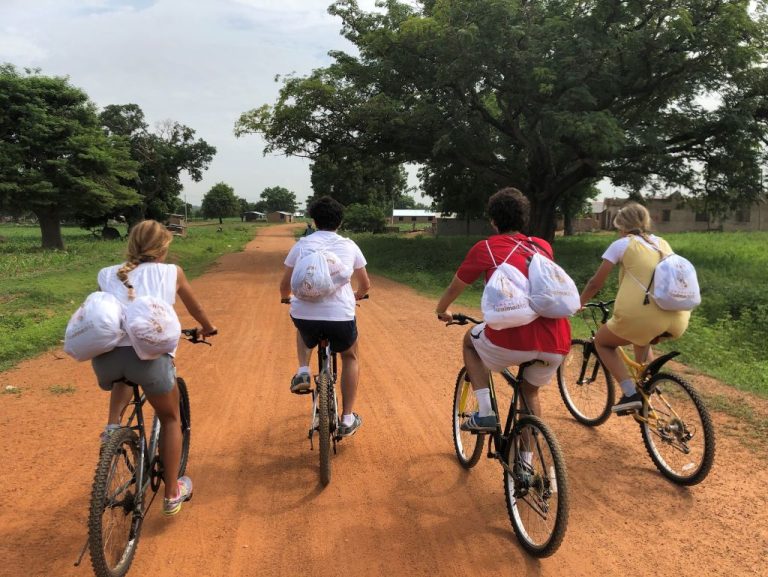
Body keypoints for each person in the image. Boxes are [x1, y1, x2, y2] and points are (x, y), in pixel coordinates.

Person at [91, 220, 217, 516]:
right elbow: (196, 310)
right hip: (150, 362)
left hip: (106, 362)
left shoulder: (107, 273)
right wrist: (208, 328)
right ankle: (172, 492)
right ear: (164, 246)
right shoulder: (172, 273)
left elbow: (106, 314)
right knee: (171, 418)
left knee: (124, 374)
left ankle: (112, 427)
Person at [435, 188, 571, 431]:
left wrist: (442, 309)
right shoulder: (541, 246)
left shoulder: (486, 248)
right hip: (557, 341)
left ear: (493, 220)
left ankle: (485, 413)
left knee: (470, 343)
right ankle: (526, 464)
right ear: (524, 218)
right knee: (530, 395)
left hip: (512, 339)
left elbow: (456, 287)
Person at [579, 202, 690, 413]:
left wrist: (580, 301)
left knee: (602, 342)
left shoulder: (622, 244)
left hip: (641, 315)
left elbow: (595, 282)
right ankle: (650, 393)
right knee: (643, 345)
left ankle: (630, 393)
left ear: (621, 225)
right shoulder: (662, 243)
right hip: (677, 316)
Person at [279, 196, 371, 438]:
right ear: (340, 221)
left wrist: (285, 297)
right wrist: (358, 295)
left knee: (302, 326)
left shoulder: (301, 245)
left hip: (305, 315)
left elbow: (285, 284)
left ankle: (302, 371)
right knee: (350, 357)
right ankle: (347, 418)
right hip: (340, 316)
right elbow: (365, 284)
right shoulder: (350, 246)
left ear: (314, 220)